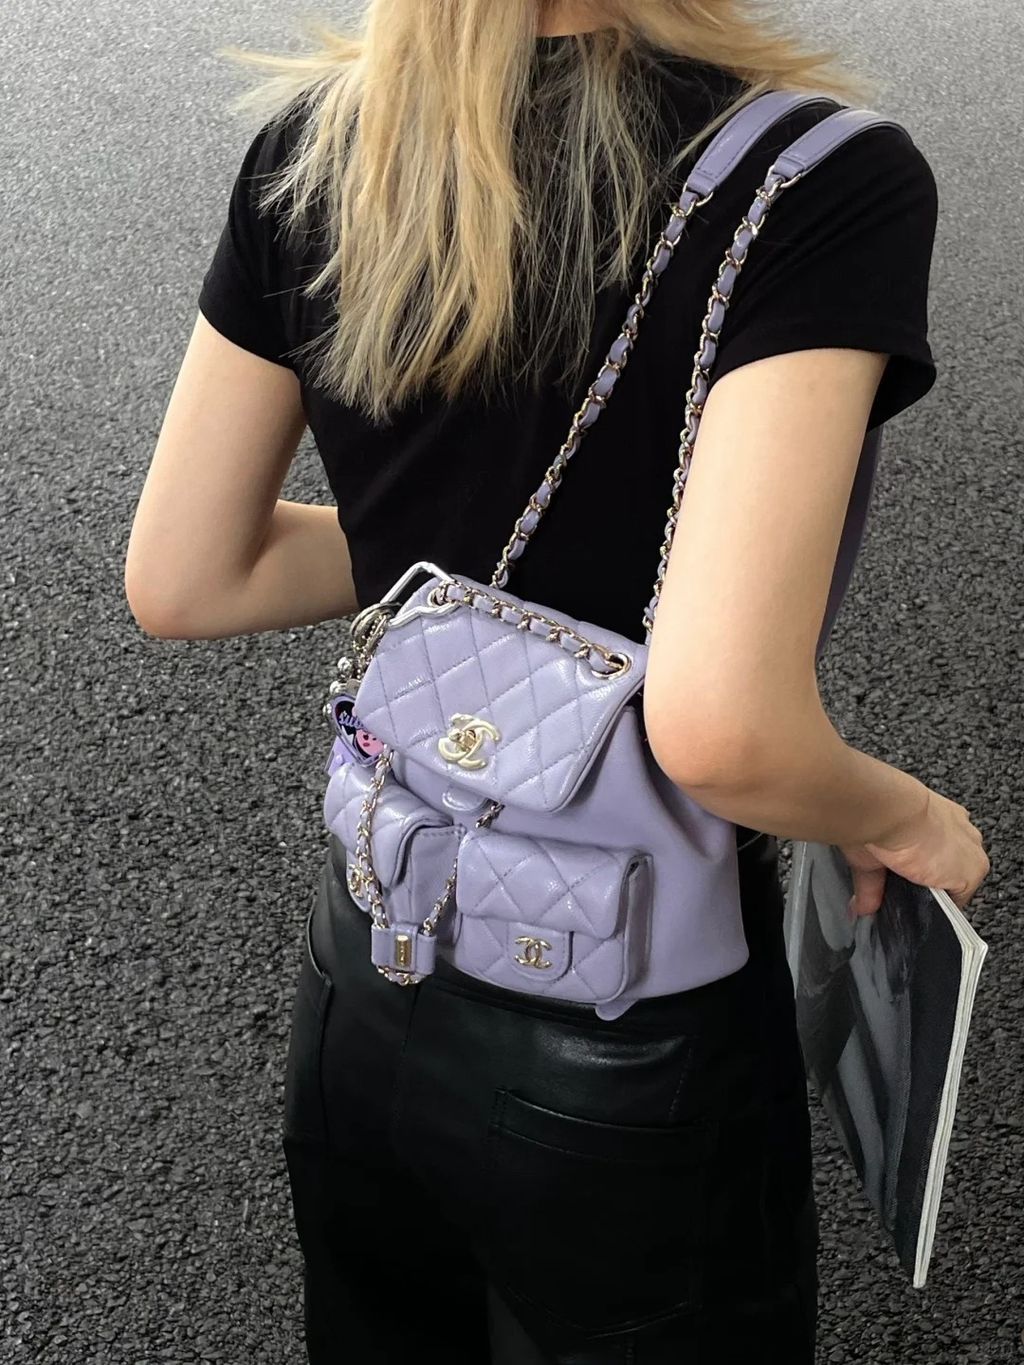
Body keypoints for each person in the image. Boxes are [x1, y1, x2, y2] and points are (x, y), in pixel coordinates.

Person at [124, 1, 991, 1359]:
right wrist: (900, 815)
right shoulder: (814, 182)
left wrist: (442, 572)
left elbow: (190, 575)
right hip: (629, 1027)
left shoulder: (325, 140)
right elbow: (722, 725)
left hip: (370, 966)